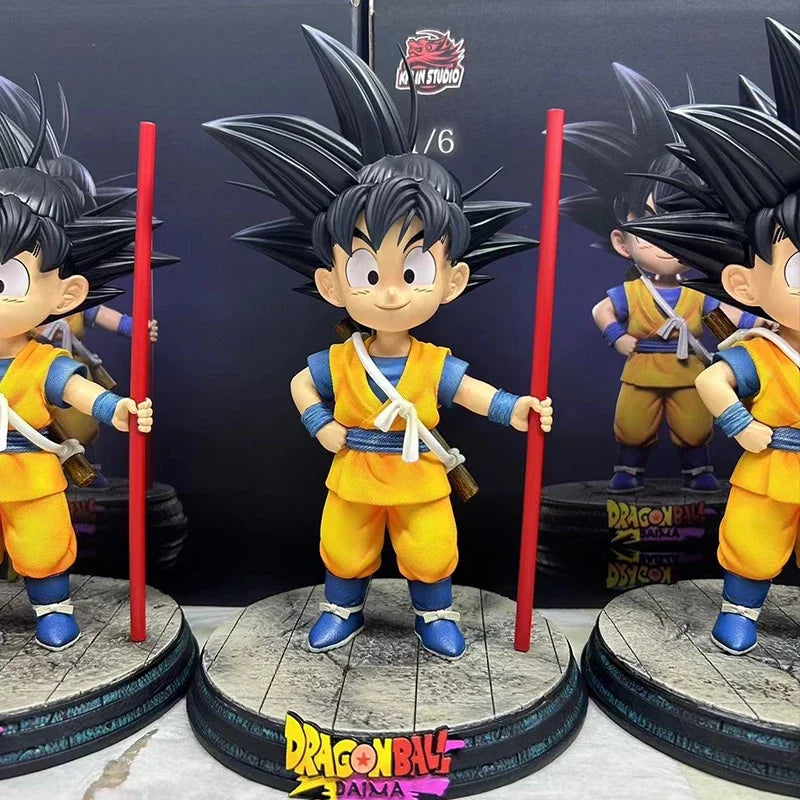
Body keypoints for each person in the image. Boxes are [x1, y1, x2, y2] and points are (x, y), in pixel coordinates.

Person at [205, 27, 551, 660]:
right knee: (345, 546)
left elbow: (473, 393)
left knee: (429, 548)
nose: (390, 293)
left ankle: (434, 614)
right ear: (332, 283)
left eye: (412, 272)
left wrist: (517, 410)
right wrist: (320, 425)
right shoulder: (341, 360)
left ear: (451, 282)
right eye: (368, 273)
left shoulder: (432, 363)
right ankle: (342, 608)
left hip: (419, 476)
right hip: (355, 470)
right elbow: (300, 384)